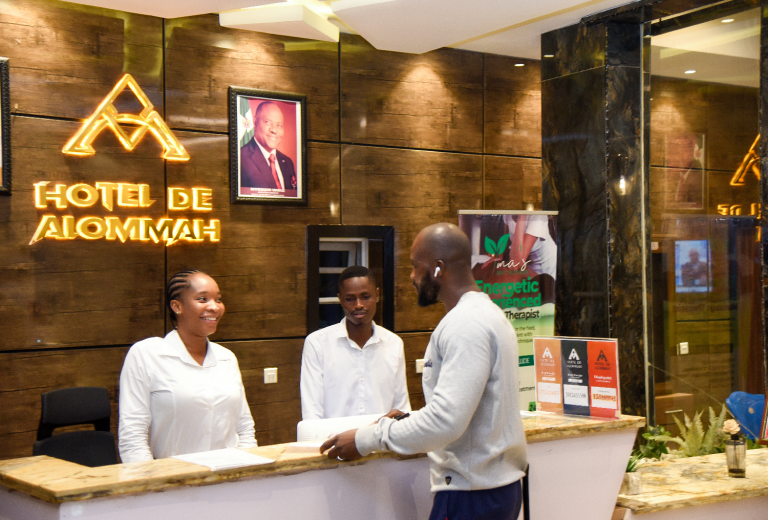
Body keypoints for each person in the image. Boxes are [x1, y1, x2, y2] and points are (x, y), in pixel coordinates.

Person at [321, 224, 528, 520]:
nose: (411, 277)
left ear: (438, 268)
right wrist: (407, 420)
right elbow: (467, 409)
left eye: (415, 266)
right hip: (491, 491)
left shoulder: (464, 325)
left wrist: (365, 439)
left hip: (471, 495)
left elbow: (445, 422)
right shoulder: (489, 314)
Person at [118, 270, 257, 463]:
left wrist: (248, 468)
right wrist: (151, 478)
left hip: (229, 473)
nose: (214, 307)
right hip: (172, 476)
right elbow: (133, 435)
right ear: (177, 306)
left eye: (218, 299)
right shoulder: (146, 354)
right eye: (202, 299)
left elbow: (244, 426)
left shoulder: (227, 358)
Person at [300, 265, 410, 420]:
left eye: (365, 297)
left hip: (381, 435)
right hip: (334, 436)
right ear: (340, 299)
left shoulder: (394, 343)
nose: (358, 305)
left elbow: (401, 408)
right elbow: (312, 413)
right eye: (350, 299)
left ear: (377, 295)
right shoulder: (317, 344)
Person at [240, 101, 297, 192]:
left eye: (279, 125)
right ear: (255, 122)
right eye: (268, 122)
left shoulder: (287, 162)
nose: (274, 130)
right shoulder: (240, 158)